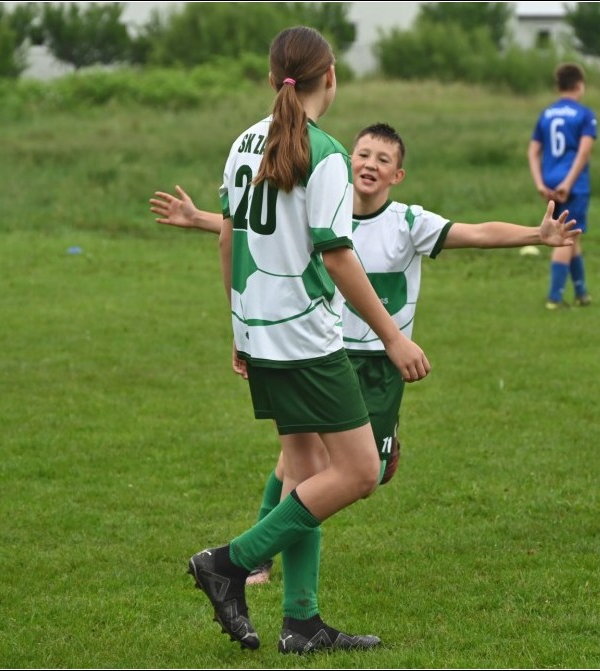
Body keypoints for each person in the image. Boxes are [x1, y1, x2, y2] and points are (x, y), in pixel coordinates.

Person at [152, 123, 581, 583]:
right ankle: (253, 558)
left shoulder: (408, 223)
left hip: (381, 365)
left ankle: (257, 554)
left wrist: (536, 236)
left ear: (398, 175)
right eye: (362, 154)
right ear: (348, 160)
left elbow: (475, 232)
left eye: (382, 159)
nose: (369, 164)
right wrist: (198, 218)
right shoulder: (327, 212)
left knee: (359, 475)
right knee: (302, 462)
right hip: (323, 352)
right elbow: (257, 228)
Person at [182, 26, 432, 656]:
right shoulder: (324, 153)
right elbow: (339, 254)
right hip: (306, 340)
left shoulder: (244, 142)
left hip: (260, 333)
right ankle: (228, 563)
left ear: (274, 80)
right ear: (332, 77)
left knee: (306, 474)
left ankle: (302, 621)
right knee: (358, 472)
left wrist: (238, 327)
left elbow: (228, 238)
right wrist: (391, 339)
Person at [527, 62, 598, 310]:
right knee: (563, 237)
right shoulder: (584, 114)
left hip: (549, 183)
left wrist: (539, 183)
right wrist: (568, 183)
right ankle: (555, 298)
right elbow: (584, 151)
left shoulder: (546, 114)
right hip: (573, 186)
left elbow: (533, 151)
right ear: (580, 86)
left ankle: (581, 293)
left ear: (558, 86)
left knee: (572, 236)